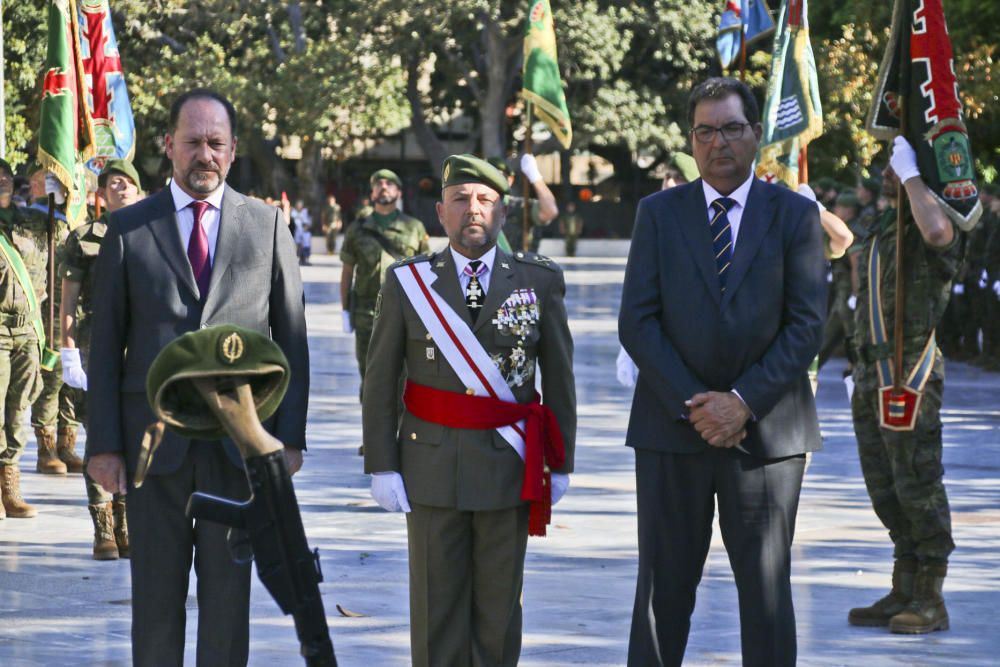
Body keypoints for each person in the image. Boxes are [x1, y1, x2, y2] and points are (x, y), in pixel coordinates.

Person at [86, 89, 309, 666]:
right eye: (192, 142)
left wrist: (288, 439)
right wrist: (104, 445)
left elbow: (292, 341)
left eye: (216, 143)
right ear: (170, 147)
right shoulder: (129, 229)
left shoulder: (267, 226)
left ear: (233, 151)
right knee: (155, 603)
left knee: (228, 604)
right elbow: (105, 346)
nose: (204, 155)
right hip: (151, 451)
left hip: (239, 452)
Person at [619, 77, 827, 667]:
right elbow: (637, 321)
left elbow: (807, 325)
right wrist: (698, 404)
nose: (719, 143)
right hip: (671, 431)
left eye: (732, 128)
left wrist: (742, 401)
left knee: (764, 593)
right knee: (663, 593)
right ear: (691, 140)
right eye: (705, 131)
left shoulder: (794, 215)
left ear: (756, 134)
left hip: (767, 436)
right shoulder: (657, 214)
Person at [362, 154, 576, 666]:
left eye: (485, 200)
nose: (472, 209)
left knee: (499, 612)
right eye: (460, 199)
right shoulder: (407, 282)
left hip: (509, 465)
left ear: (503, 214)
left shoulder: (538, 280)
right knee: (436, 611)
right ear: (441, 212)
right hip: (430, 466)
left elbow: (561, 378)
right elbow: (381, 378)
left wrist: (561, 460)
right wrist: (381, 463)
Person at [847, 137, 976, 634]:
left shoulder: (936, 221)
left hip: (911, 375)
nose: (887, 169)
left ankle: (930, 596)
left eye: (896, 163)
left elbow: (940, 231)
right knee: (884, 485)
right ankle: (903, 584)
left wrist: (914, 177)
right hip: (871, 371)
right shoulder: (883, 226)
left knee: (918, 483)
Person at [60, 159, 143, 559]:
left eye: (128, 183)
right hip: (96, 349)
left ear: (140, 191)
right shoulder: (84, 238)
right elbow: (69, 303)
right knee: (99, 435)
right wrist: (68, 349)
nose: (121, 188)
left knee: (136, 436)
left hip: (142, 349)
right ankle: (103, 530)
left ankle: (128, 526)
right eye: (113, 183)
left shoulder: (156, 232)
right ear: (101, 194)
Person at [340, 169, 429, 403]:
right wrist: (345, 310)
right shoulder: (357, 229)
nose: (383, 187)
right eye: (378, 184)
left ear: (398, 192)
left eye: (389, 184)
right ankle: (371, 437)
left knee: (403, 376)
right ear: (372, 193)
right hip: (366, 313)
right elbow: (347, 271)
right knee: (369, 375)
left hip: (405, 313)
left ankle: (399, 435)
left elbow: (426, 273)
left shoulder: (415, 227)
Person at [0, 158, 49, 518]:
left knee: (20, 407)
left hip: (28, 328)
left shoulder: (30, 221)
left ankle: (10, 485)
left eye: (5, 177)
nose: (1, 182)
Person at [488, 154, 558, 253]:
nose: (492, 181)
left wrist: (535, 176)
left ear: (509, 180)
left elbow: (550, 211)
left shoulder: (521, 207)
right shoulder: (473, 208)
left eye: (498, 176)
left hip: (519, 266)